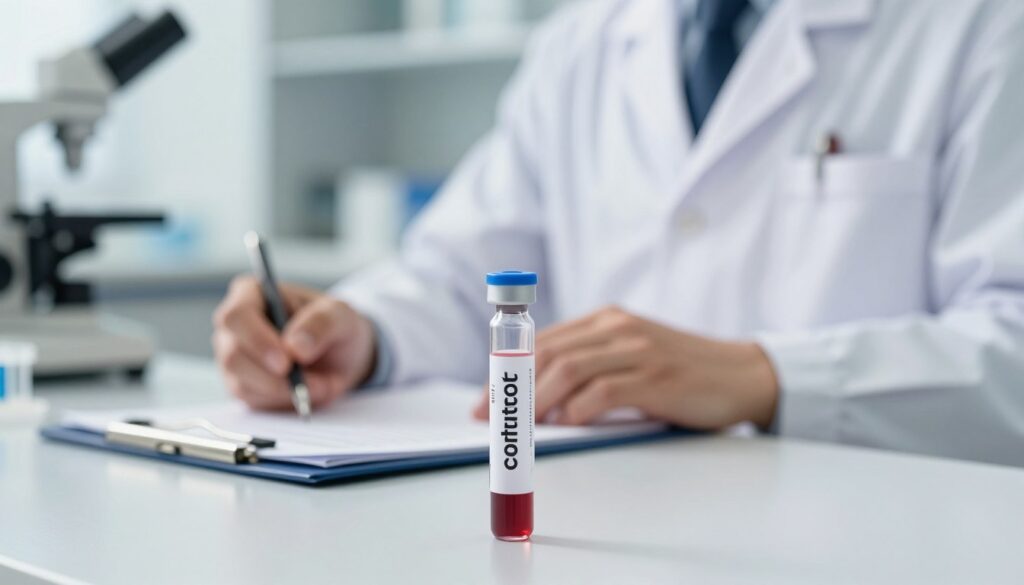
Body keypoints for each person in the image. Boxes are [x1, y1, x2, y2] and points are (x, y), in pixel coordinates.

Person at [213, 0, 1024, 465]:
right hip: (604, 527)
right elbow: (470, 277)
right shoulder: (584, 41)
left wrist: (766, 375)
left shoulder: (980, 23)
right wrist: (362, 334)